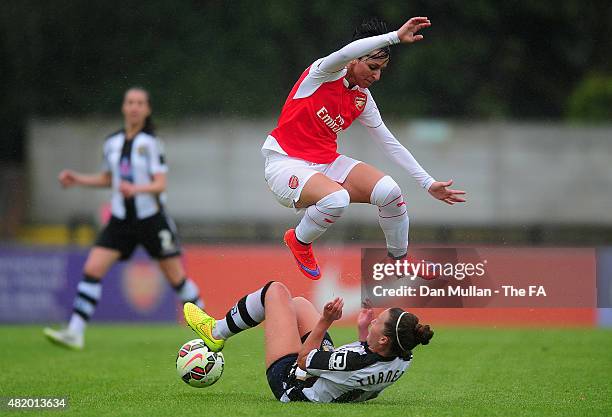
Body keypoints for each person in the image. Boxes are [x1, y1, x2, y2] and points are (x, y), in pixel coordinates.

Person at [262, 16, 466, 280]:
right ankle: (299, 241)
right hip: (285, 163)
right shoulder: (323, 73)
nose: (377, 75)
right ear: (355, 59)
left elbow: (389, 143)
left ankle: (399, 259)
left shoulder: (361, 98)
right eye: (372, 66)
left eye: (381, 70)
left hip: (325, 163)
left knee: (390, 192)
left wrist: (428, 183)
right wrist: (394, 36)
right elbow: (345, 51)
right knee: (337, 199)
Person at [44, 87, 204, 350]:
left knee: (177, 279)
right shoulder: (112, 143)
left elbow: (160, 184)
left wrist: (137, 189)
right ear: (123, 107)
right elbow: (109, 179)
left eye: (140, 103)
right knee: (93, 269)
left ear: (147, 110)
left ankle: (207, 328)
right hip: (121, 220)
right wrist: (78, 179)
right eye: (130, 102)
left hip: (151, 219)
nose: (134, 107)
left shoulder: (152, 144)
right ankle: (75, 331)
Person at [183, 281, 433, 403]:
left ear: (383, 339)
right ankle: (250, 323)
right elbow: (369, 369)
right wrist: (362, 331)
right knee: (299, 305)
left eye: (377, 322)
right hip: (326, 378)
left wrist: (326, 321)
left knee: (275, 291)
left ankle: (216, 332)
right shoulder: (403, 355)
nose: (374, 320)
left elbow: (304, 361)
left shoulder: (353, 361)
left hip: (293, 384)